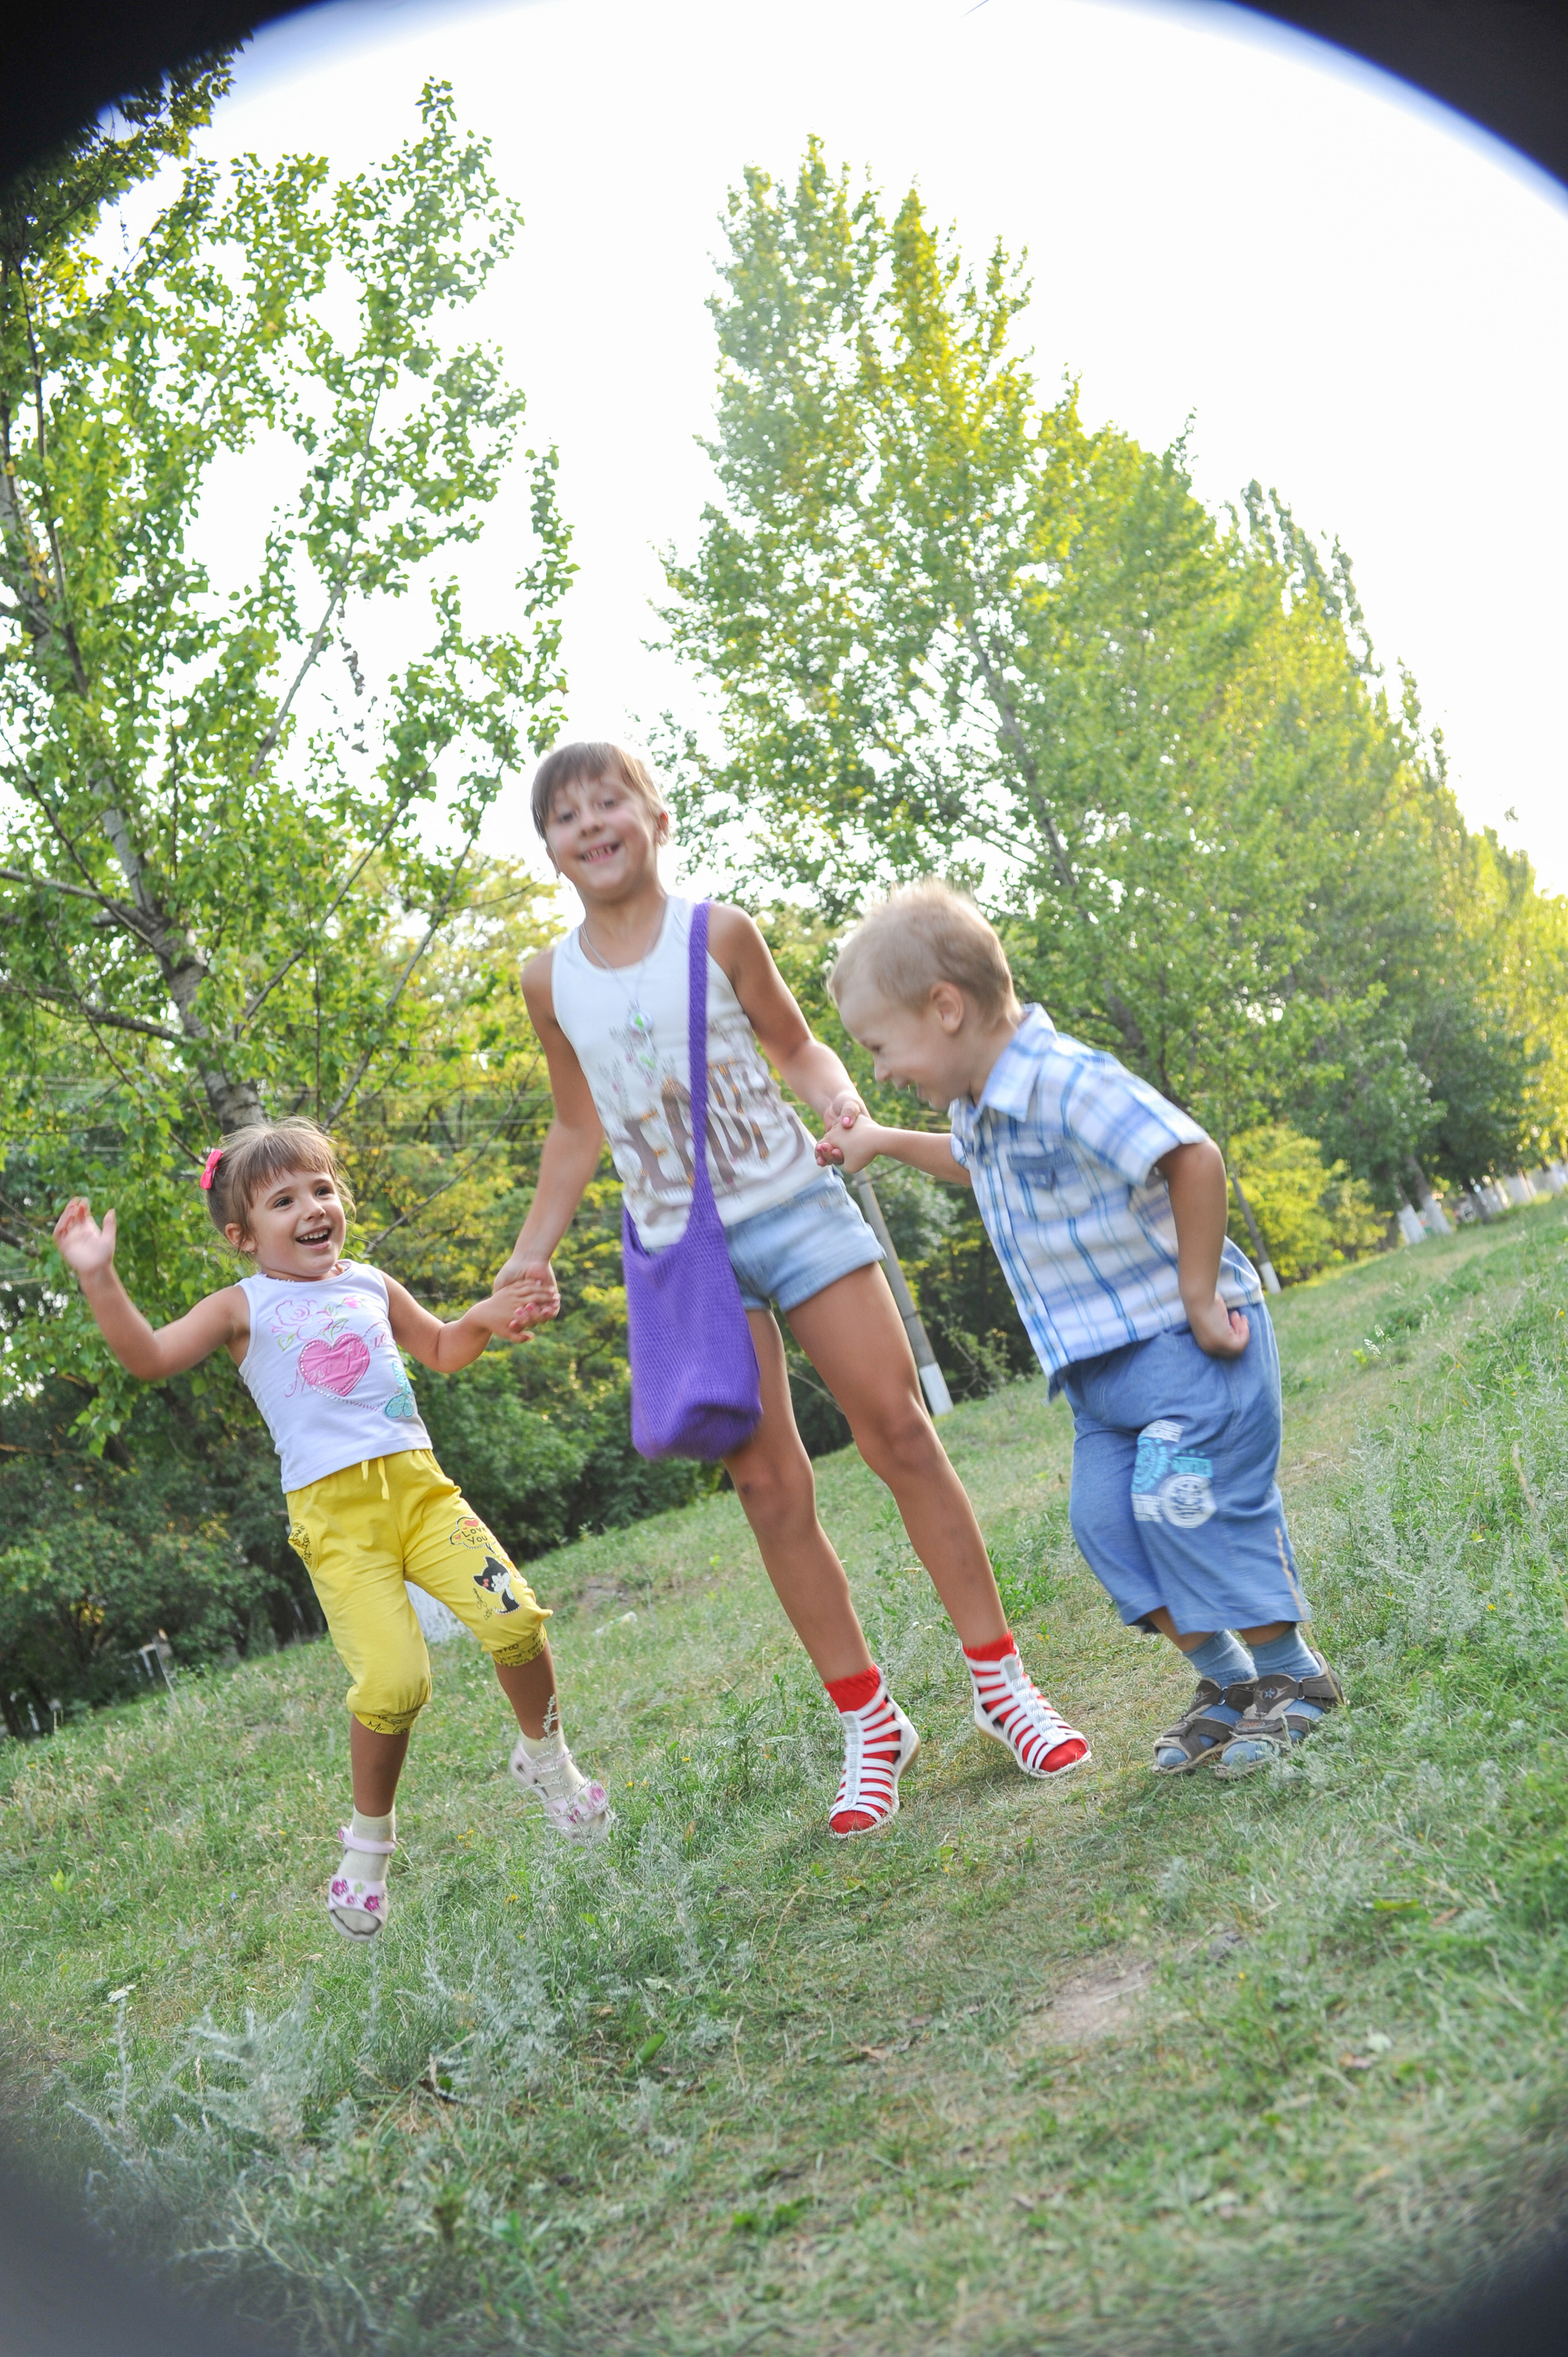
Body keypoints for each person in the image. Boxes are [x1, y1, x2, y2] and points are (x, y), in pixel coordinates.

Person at [492, 741, 1087, 1837]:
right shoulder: (549, 979)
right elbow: (578, 1126)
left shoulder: (718, 934)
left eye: (608, 799)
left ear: (653, 815)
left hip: (795, 1212)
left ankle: (1004, 1685)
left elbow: (802, 1049)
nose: (591, 823)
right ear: (550, 852)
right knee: (770, 1492)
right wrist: (532, 1251)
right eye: (565, 815)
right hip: (682, 1259)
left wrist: (846, 1112)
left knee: (899, 1431)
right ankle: (871, 1720)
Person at [820, 880, 1344, 1777]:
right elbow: (973, 1166)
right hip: (1102, 1378)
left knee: (1184, 1508)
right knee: (1107, 1524)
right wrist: (881, 1139)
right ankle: (1227, 1682)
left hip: (1184, 1348)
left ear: (944, 1008)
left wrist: (1196, 1293)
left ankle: (1295, 1678)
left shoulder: (1064, 1078)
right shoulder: (980, 1105)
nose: (879, 1069)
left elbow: (1192, 1156)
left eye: (879, 1044)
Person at [51, 1119, 609, 1942]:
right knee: (394, 1688)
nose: (314, 1207)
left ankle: (551, 1766)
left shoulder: (371, 1285)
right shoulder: (241, 1306)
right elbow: (149, 1357)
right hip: (337, 1520)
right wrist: (100, 1279)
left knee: (516, 1618)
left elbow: (447, 1350)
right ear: (243, 1237)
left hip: (423, 1496)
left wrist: (486, 1314)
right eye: (285, 1201)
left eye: (322, 1189)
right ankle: (370, 1843)